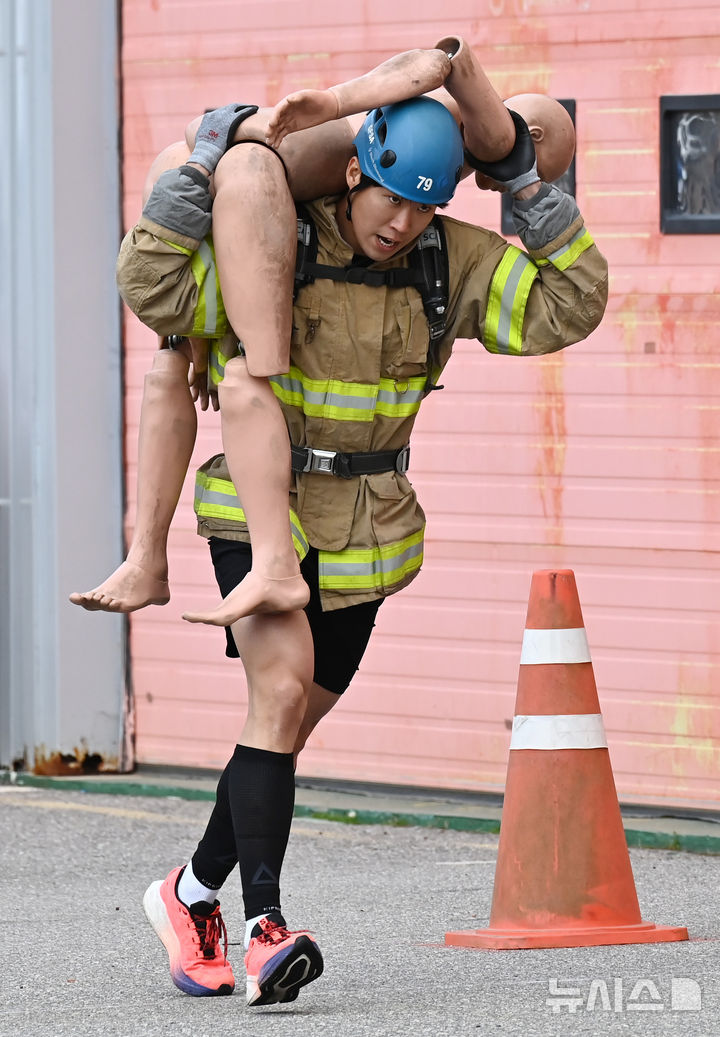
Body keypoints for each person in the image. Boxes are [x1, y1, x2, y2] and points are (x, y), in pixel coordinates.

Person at [114, 89, 607, 1007]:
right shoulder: (275, 237)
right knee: (279, 685)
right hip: (260, 512)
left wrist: (527, 185)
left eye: (427, 203)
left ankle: (187, 895)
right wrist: (199, 169)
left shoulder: (445, 263)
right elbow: (150, 286)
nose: (403, 220)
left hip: (369, 528)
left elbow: (570, 305)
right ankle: (265, 928)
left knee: (289, 723)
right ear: (354, 171)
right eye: (391, 197)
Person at [67, 37, 549, 622]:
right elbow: (441, 60)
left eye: (420, 209)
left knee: (175, 360)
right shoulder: (480, 133)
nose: (405, 223)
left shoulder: (430, 156)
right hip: (240, 160)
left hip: (238, 162)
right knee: (247, 374)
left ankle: (149, 554)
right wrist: (331, 103)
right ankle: (166, 556)